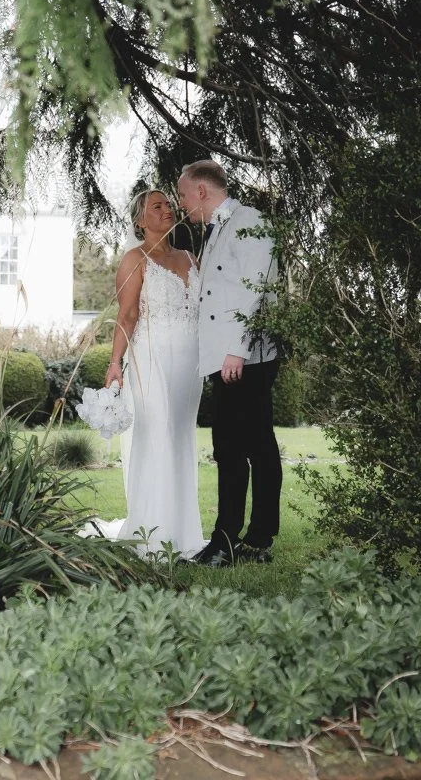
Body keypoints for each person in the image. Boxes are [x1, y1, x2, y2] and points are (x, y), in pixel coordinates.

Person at [177, 160, 280, 566]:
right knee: (233, 448)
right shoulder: (216, 229)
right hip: (227, 359)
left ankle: (242, 542)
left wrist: (237, 349)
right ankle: (235, 540)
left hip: (245, 358)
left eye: (184, 195)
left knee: (251, 448)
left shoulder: (250, 220)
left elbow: (257, 288)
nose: (182, 203)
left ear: (202, 191)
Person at [103, 189, 204, 556]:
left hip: (190, 367)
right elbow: (128, 315)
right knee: (158, 435)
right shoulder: (135, 259)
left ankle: (182, 533)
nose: (167, 210)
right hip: (151, 362)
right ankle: (152, 533)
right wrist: (115, 362)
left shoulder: (189, 257)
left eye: (168, 204)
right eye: (157, 206)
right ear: (140, 220)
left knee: (180, 438)